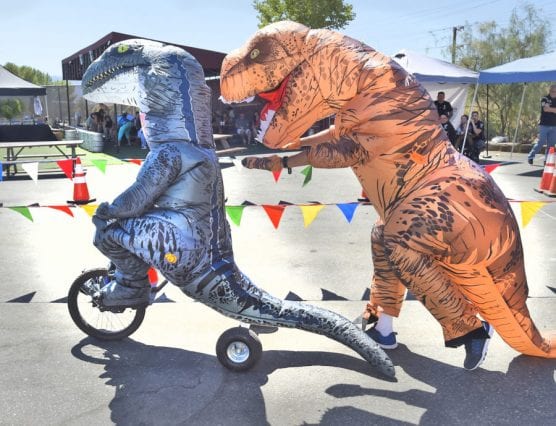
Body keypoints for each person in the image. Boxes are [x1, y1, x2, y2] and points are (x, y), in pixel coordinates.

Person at [528, 84, 556, 165]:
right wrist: (553, 110)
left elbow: (549, 109)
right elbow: (545, 109)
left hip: (554, 125)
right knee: (541, 142)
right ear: (550, 91)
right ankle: (531, 156)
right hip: (544, 125)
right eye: (553, 91)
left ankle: (547, 160)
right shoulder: (545, 98)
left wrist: (550, 109)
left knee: (551, 145)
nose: (554, 93)